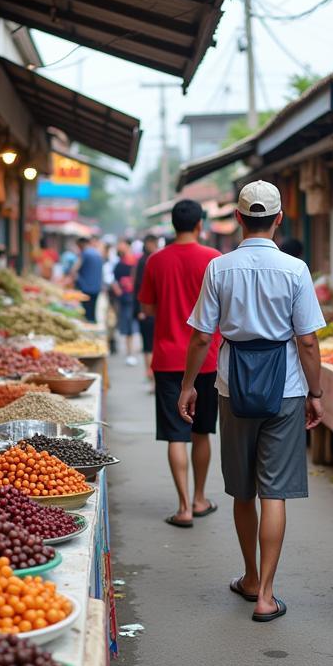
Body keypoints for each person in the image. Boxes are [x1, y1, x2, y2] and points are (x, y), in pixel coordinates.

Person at [180, 182, 325, 622]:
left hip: (232, 386)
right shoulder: (296, 270)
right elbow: (308, 342)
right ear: (280, 218)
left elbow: (204, 335)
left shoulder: (219, 269)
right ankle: (265, 593)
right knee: (274, 491)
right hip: (286, 388)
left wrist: (188, 385)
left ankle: (247, 576)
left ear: (239, 219)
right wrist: (316, 395)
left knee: (243, 490)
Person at [138, 202, 221, 528]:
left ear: (173, 225)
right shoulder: (213, 258)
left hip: (169, 358)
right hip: (207, 359)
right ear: (200, 224)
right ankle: (200, 499)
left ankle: (184, 507)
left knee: (177, 433)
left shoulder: (156, 260)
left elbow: (146, 307)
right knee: (202, 432)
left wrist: (170, 311)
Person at [134, 234, 159, 389]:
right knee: (149, 346)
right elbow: (139, 287)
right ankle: (151, 378)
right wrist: (141, 309)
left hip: (150, 309)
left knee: (149, 346)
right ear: (149, 243)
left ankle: (151, 378)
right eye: (154, 243)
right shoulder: (148, 261)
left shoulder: (151, 260)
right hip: (148, 309)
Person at [111, 240, 139, 365]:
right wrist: (117, 289)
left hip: (135, 297)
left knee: (133, 324)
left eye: (122, 245)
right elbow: (114, 280)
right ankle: (130, 352)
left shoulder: (136, 261)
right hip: (125, 298)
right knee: (127, 324)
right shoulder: (118, 264)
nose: (120, 247)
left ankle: (134, 352)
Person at [71, 235, 103, 323]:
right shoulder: (97, 253)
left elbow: (74, 269)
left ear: (81, 244)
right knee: (92, 312)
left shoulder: (85, 253)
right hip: (96, 288)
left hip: (86, 288)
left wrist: (75, 279)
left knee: (86, 314)